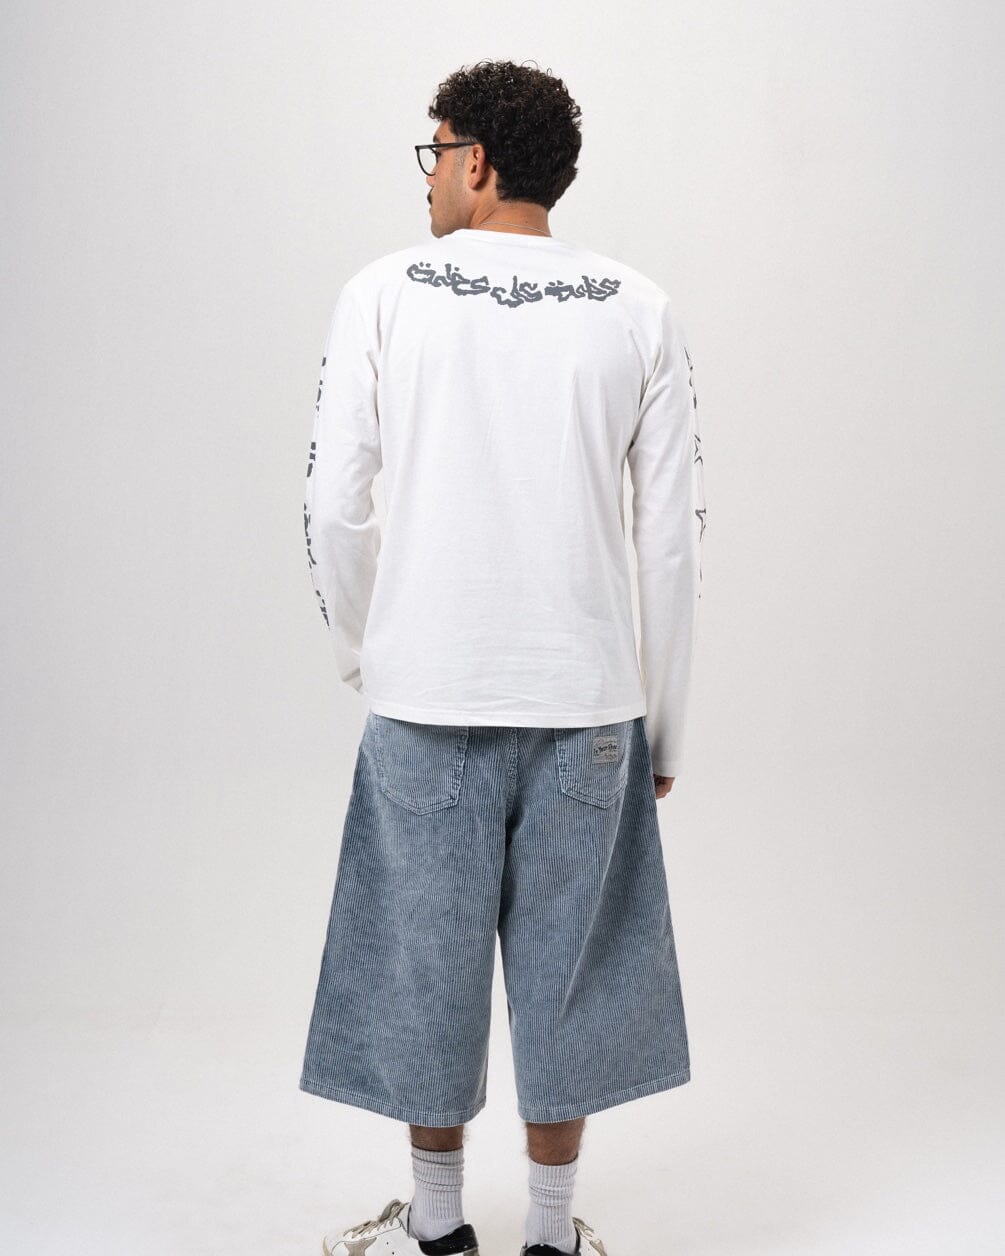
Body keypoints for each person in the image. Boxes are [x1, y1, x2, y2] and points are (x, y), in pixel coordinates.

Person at [299, 58, 707, 1256]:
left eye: (436, 153)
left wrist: (372, 651)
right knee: (574, 974)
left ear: (476, 161)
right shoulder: (639, 306)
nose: (427, 177)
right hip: (590, 702)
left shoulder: (383, 293)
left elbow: (333, 507)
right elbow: (671, 542)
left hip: (426, 695)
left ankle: (436, 1227)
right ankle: (550, 1232)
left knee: (423, 963)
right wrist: (667, 722)